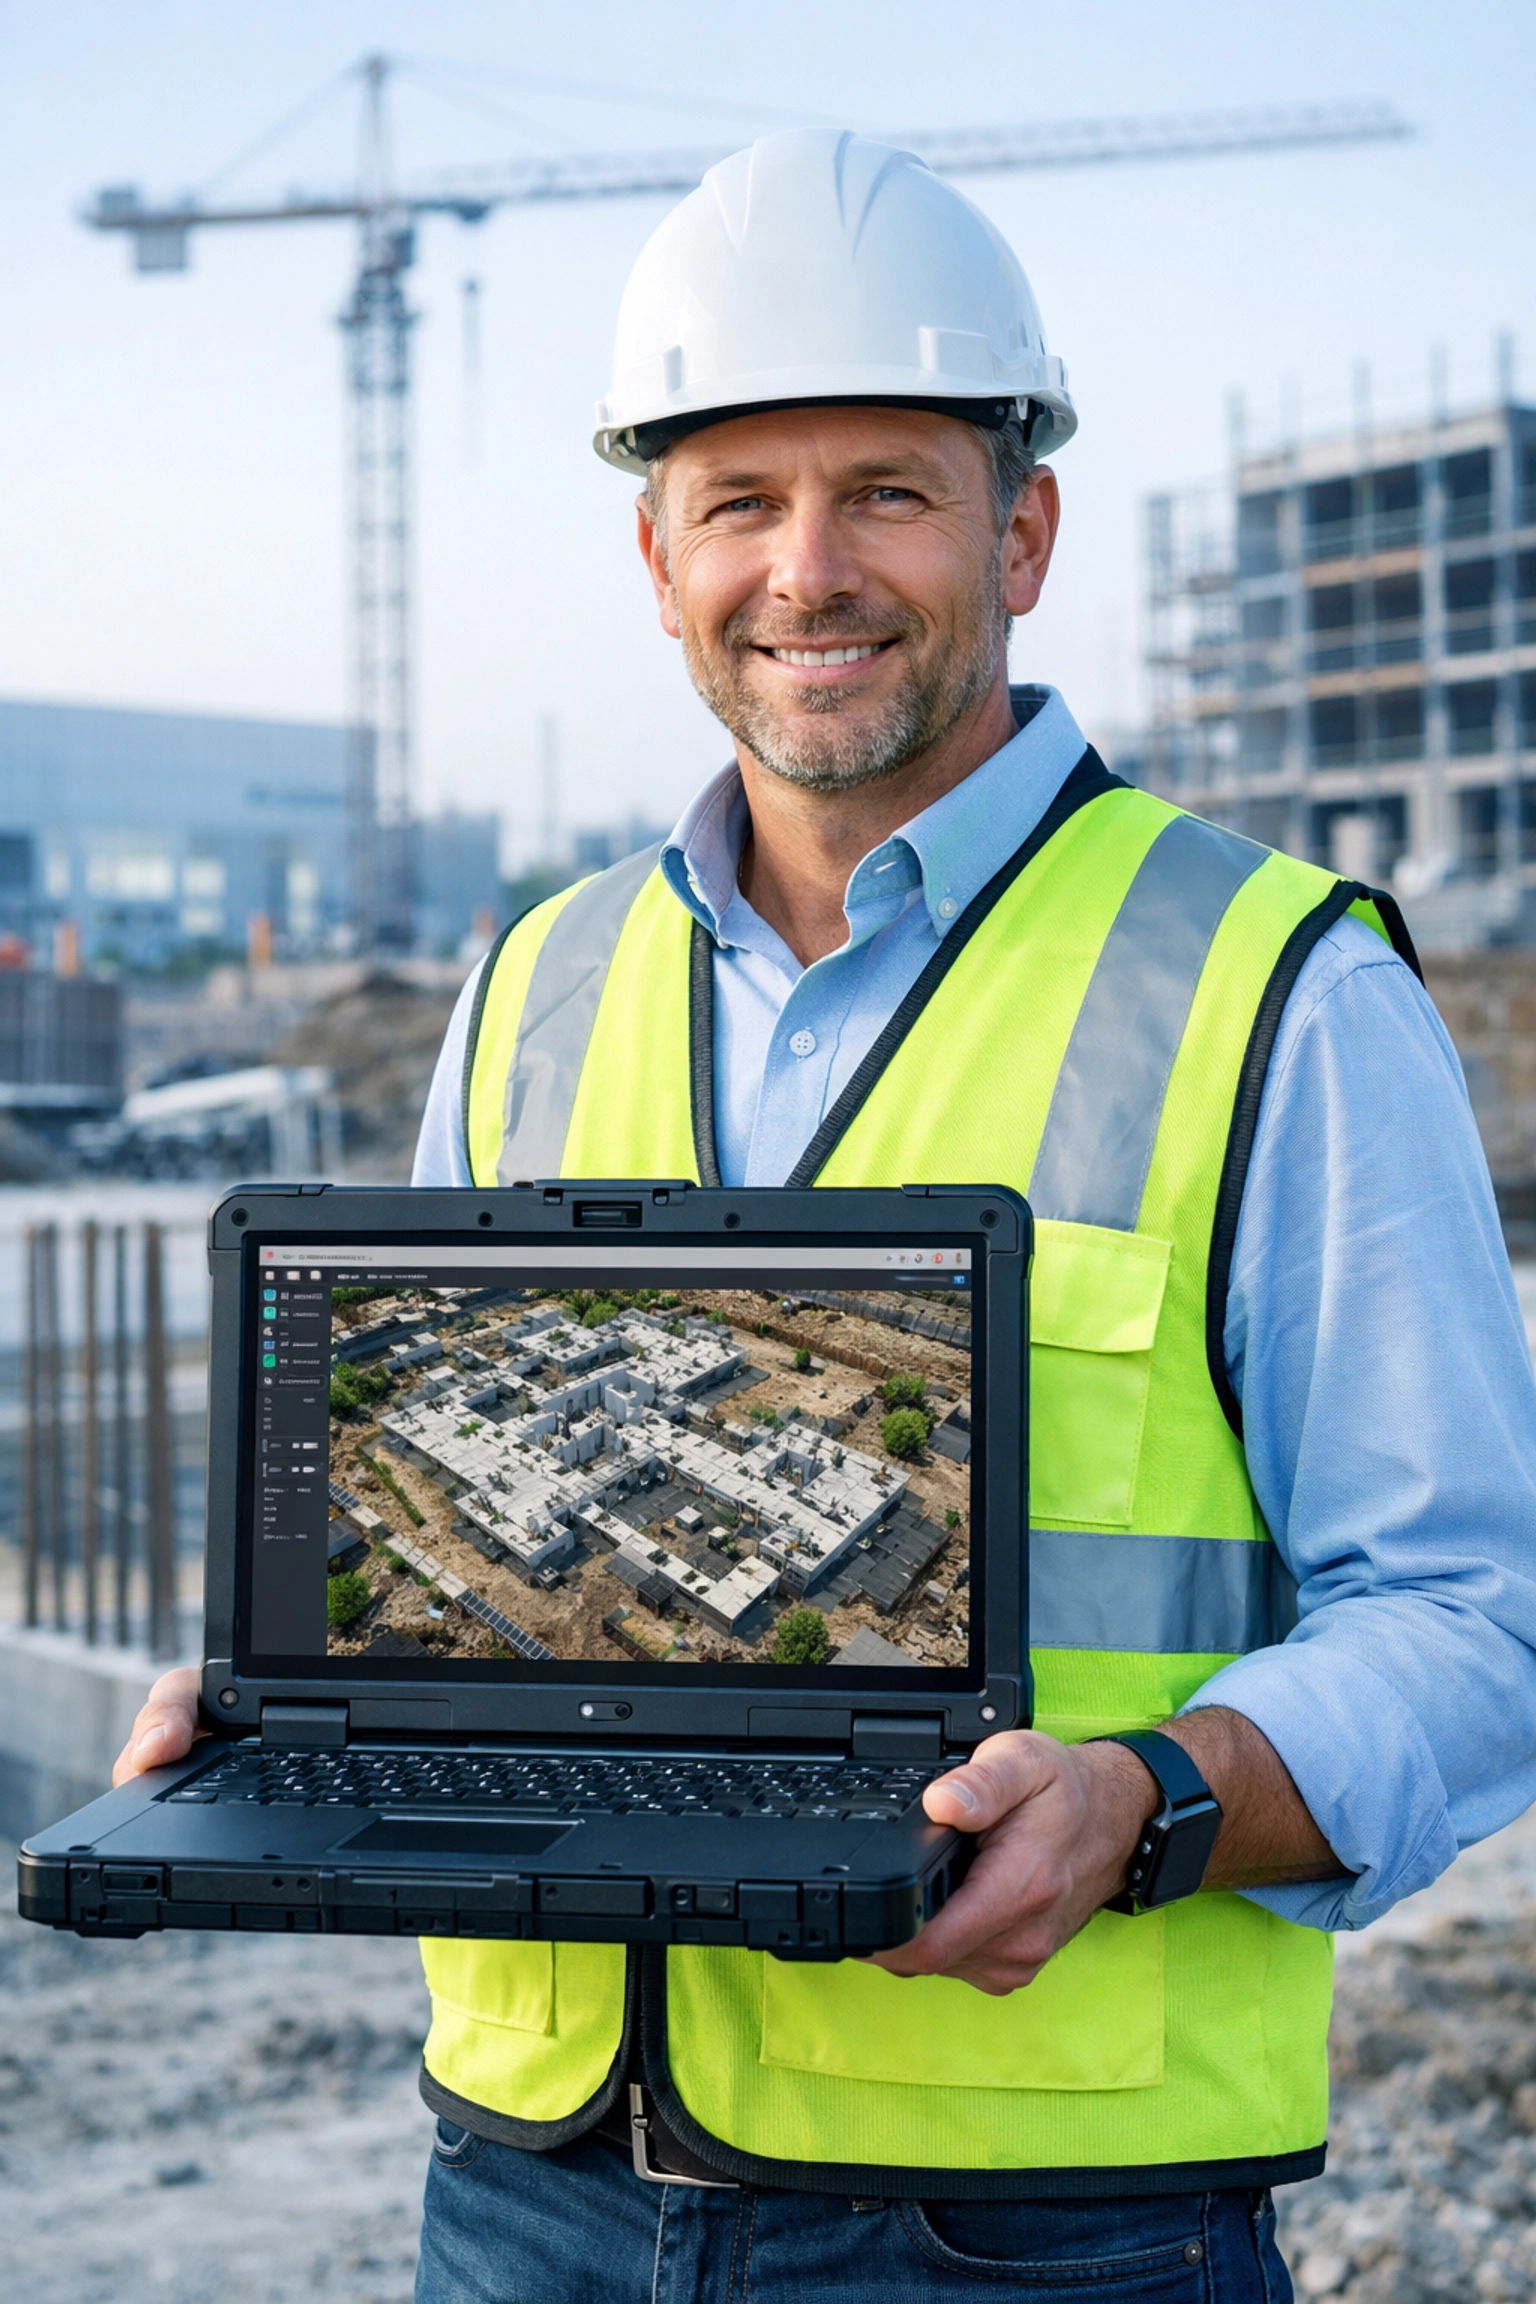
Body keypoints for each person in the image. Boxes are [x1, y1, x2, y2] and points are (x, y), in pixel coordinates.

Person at [117, 128, 1536, 2302]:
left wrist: (1149, 1802)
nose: (809, 571)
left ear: (1024, 531)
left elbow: (1477, 1623)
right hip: (530, 2194)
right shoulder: (531, 981)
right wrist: (283, 1693)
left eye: (886, 489)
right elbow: (445, 1543)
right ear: (655, 555)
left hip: (1043, 2230)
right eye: (739, 503)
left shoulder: (1273, 990)